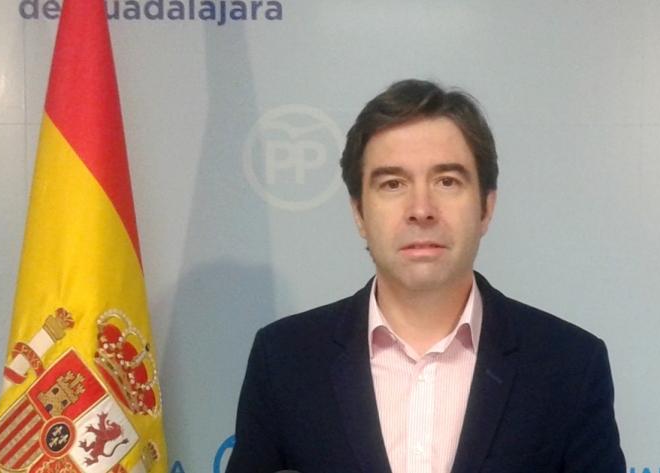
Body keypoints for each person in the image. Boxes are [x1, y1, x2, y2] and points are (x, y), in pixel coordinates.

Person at [226, 79, 625, 473]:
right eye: (393, 184)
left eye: (447, 181)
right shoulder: (284, 361)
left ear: (486, 209)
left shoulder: (569, 365)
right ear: (359, 213)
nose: (421, 209)